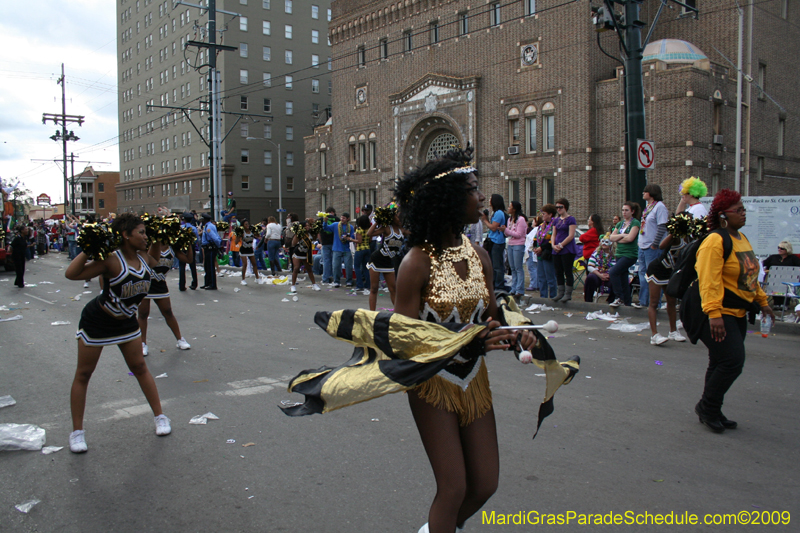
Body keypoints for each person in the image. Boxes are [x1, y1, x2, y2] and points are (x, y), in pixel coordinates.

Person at [393, 148, 537, 533]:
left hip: (474, 381)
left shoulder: (479, 256)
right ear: (448, 201)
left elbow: (490, 314)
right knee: (454, 487)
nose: (481, 197)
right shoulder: (416, 262)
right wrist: (462, 341)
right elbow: (403, 341)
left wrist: (517, 333)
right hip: (432, 384)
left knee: (486, 483)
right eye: (473, 190)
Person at [65, 213, 171, 453]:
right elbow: (71, 274)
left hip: (127, 323)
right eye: (141, 232)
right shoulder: (111, 260)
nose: (145, 236)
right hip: (99, 322)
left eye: (146, 232)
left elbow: (162, 267)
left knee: (141, 368)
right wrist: (88, 249)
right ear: (126, 235)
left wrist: (160, 236)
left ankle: (160, 417)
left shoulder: (145, 257)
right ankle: (77, 432)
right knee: (83, 374)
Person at [694, 189, 774, 433]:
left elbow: (750, 278)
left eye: (743, 208)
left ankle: (712, 409)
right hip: (718, 313)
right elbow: (709, 280)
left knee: (719, 361)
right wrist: (714, 314)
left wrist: (762, 302)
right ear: (723, 215)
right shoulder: (714, 241)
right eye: (738, 210)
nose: (743, 213)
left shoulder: (741, 238)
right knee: (732, 362)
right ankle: (707, 407)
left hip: (738, 312)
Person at [645, 177, 709, 345]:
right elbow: (662, 244)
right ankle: (654, 335)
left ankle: (673, 331)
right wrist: (674, 232)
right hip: (658, 268)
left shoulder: (690, 239)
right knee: (653, 302)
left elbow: (682, 216)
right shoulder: (676, 236)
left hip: (670, 269)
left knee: (671, 301)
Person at [138, 239, 192, 356]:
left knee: (167, 312)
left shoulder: (172, 248)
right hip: (145, 283)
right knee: (143, 314)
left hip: (160, 284)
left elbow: (189, 259)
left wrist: (189, 243)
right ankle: (142, 344)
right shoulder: (149, 245)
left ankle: (180, 339)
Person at [635, 184, 669, 309]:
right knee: (642, 274)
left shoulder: (660, 207)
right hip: (643, 245)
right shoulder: (648, 207)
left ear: (652, 193)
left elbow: (662, 226)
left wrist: (656, 244)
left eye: (645, 191)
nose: (643, 193)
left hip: (652, 247)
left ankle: (654, 304)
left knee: (653, 276)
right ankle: (644, 302)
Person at [366, 207, 403, 310]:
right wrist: (376, 222)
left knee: (393, 289)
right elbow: (369, 234)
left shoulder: (402, 230)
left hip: (388, 262)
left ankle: (398, 314)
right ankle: (372, 314)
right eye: (396, 216)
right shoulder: (386, 228)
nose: (399, 218)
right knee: (374, 288)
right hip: (377, 260)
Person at [607, 202, 641, 307]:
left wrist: (619, 239)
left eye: (626, 210)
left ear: (632, 211)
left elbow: (630, 238)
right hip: (619, 253)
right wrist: (622, 236)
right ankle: (627, 302)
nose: (624, 212)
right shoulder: (620, 224)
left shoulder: (635, 223)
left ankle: (619, 297)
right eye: (623, 210)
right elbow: (611, 238)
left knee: (613, 272)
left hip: (630, 254)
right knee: (623, 277)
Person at [551, 198, 579, 302]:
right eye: (557, 207)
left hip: (567, 249)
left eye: (560, 207)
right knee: (558, 271)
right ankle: (560, 292)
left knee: (567, 271)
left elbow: (571, 235)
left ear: (565, 207)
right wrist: (553, 245)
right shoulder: (556, 220)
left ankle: (568, 293)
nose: (558, 209)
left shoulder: (571, 219)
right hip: (556, 250)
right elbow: (554, 234)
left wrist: (561, 245)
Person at [480, 194, 507, 292]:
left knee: (497, 265)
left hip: (497, 242)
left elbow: (493, 227)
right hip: (492, 241)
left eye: (491, 199)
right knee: (492, 264)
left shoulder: (499, 213)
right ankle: (494, 283)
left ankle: (499, 285)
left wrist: (485, 220)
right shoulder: (495, 213)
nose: (489, 200)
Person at [289, 219, 322, 293]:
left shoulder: (310, 233)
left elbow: (314, 239)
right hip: (298, 253)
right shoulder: (299, 234)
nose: (308, 227)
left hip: (306, 254)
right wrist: (297, 235)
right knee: (296, 268)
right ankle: (293, 285)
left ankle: (314, 284)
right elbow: (293, 244)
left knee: (309, 269)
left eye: (308, 225)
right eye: (306, 226)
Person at [503, 200, 527, 299]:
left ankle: (520, 289)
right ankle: (513, 288)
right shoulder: (509, 219)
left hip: (518, 245)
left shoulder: (521, 219)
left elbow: (519, 234)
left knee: (518, 268)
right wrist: (505, 230)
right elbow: (507, 233)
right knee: (512, 268)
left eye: (510, 207)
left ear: (514, 209)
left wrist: (506, 230)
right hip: (510, 244)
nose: (508, 208)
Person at [324, 212, 355, 288]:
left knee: (348, 266)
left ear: (348, 219)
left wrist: (348, 238)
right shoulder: (336, 225)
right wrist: (325, 222)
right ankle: (336, 281)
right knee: (336, 266)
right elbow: (326, 228)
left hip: (346, 249)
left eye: (344, 218)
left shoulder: (350, 227)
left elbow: (352, 238)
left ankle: (349, 281)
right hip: (336, 248)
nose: (342, 219)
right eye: (341, 217)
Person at [535, 205, 558, 299]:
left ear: (550, 214)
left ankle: (553, 296)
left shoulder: (554, 225)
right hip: (540, 254)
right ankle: (543, 297)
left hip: (548, 253)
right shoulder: (541, 226)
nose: (542, 215)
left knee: (550, 278)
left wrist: (542, 248)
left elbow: (553, 239)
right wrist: (535, 247)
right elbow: (536, 238)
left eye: (544, 213)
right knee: (541, 277)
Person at [583, 237, 616, 302]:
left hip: (609, 276)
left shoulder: (615, 255)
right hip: (597, 275)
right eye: (602, 241)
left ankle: (611, 301)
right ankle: (588, 300)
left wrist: (609, 275)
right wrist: (600, 275)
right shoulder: (596, 253)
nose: (604, 244)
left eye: (606, 242)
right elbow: (590, 266)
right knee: (590, 277)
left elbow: (616, 267)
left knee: (617, 280)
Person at [235, 219, 260, 285]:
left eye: (248, 224)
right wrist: (238, 236)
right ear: (243, 225)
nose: (247, 225)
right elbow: (236, 242)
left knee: (254, 263)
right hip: (243, 249)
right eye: (246, 224)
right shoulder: (242, 232)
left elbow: (258, 236)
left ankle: (257, 278)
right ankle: (243, 279)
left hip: (250, 249)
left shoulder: (251, 231)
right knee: (245, 264)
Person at [178, 212, 199, 291]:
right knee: (193, 266)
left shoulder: (181, 227)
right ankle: (194, 283)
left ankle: (182, 285)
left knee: (182, 266)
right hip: (191, 247)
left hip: (183, 247)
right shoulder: (193, 228)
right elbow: (196, 239)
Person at [200, 213, 221, 290]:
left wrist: (218, 247)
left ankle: (213, 284)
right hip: (207, 248)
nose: (201, 221)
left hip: (210, 248)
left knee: (211, 266)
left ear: (205, 220)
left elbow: (215, 238)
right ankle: (207, 283)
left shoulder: (209, 227)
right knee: (207, 266)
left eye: (202, 220)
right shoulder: (207, 226)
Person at [353, 215, 372, 294]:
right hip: (367, 248)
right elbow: (370, 240)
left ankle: (359, 285)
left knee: (357, 267)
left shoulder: (359, 230)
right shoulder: (369, 229)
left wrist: (350, 239)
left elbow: (359, 241)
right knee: (366, 267)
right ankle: (368, 284)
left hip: (360, 249)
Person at [319, 207, 337, 284]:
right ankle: (335, 277)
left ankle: (325, 278)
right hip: (334, 243)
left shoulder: (320, 220)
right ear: (333, 212)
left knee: (326, 261)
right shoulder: (337, 219)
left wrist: (321, 242)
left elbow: (318, 233)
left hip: (325, 243)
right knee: (335, 261)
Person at [524, 216, 540, 292]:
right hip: (530, 250)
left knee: (532, 268)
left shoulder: (536, 229)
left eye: (534, 221)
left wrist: (529, 249)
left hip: (531, 251)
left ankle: (534, 284)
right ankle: (536, 284)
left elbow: (532, 240)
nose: (532, 222)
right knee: (534, 268)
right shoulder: (535, 229)